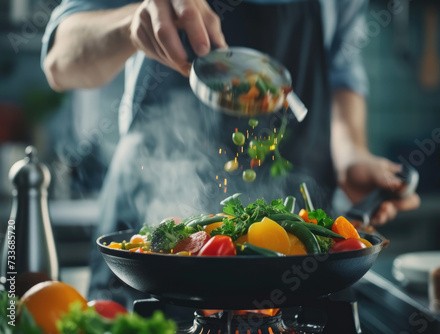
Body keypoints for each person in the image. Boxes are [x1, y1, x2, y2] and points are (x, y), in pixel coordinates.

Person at [42, 0, 420, 306]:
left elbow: (341, 73)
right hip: (148, 207)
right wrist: (129, 24)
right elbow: (59, 62)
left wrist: (351, 155)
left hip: (296, 255)